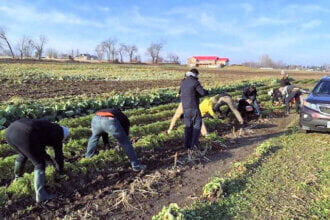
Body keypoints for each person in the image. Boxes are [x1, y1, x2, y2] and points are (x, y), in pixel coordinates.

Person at [5, 119, 69, 202]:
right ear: (64, 135)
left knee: (23, 153)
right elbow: (59, 156)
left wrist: (49, 160)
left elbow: (39, 150)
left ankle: (17, 177)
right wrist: (60, 171)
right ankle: (41, 194)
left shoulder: (49, 127)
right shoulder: (58, 134)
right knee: (39, 163)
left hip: (10, 131)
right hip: (26, 134)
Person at [167, 93, 244, 135]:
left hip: (193, 110)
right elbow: (211, 111)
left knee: (197, 121)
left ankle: (205, 134)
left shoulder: (205, 101)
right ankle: (202, 134)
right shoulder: (208, 105)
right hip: (192, 114)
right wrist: (216, 117)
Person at [179, 68, 208, 152]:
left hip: (185, 108)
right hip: (193, 107)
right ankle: (194, 145)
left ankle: (187, 145)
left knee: (188, 126)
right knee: (197, 124)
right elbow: (202, 92)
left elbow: (184, 92)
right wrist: (206, 92)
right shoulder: (195, 82)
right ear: (195, 74)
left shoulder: (183, 82)